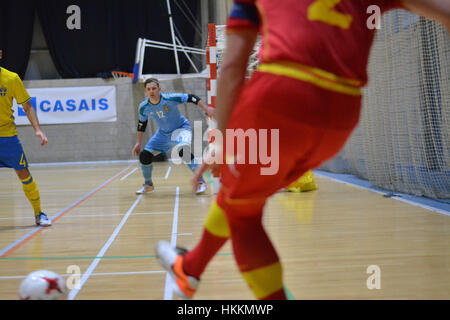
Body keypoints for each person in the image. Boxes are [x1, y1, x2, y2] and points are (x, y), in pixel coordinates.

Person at [156, 0, 450, 300]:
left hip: (282, 97)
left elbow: (232, 67)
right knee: (240, 194)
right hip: (342, 114)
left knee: (243, 213)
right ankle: (189, 269)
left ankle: (190, 272)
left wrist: (224, 140)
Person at [133, 78, 214, 195]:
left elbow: (192, 97)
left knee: (183, 151)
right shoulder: (144, 106)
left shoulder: (170, 98)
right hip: (163, 134)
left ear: (159, 89)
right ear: (145, 91)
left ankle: (201, 182)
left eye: (154, 88)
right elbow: (142, 124)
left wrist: (207, 110)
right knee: (144, 156)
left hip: (181, 129)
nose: (152, 91)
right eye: (149, 89)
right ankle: (148, 185)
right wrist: (138, 143)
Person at [0, 49, 51, 226]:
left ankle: (39, 214)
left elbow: (27, 106)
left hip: (7, 137)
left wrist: (37, 129)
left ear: (0, 54)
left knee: (23, 173)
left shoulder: (11, 78)